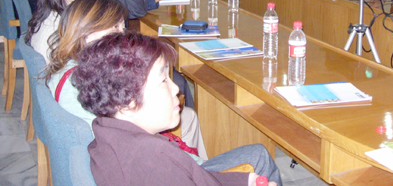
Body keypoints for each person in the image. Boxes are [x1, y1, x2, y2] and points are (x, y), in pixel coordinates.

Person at [71, 30, 281, 186]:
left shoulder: (107, 130)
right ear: (127, 102)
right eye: (163, 80)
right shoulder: (154, 159)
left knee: (257, 155)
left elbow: (196, 178)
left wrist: (245, 180)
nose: (176, 88)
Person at [45, 0, 211, 163]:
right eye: (114, 28)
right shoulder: (79, 83)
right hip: (130, 156)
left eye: (122, 28)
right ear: (87, 34)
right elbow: (123, 138)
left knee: (187, 116)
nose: (122, 35)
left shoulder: (74, 68)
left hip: (115, 150)